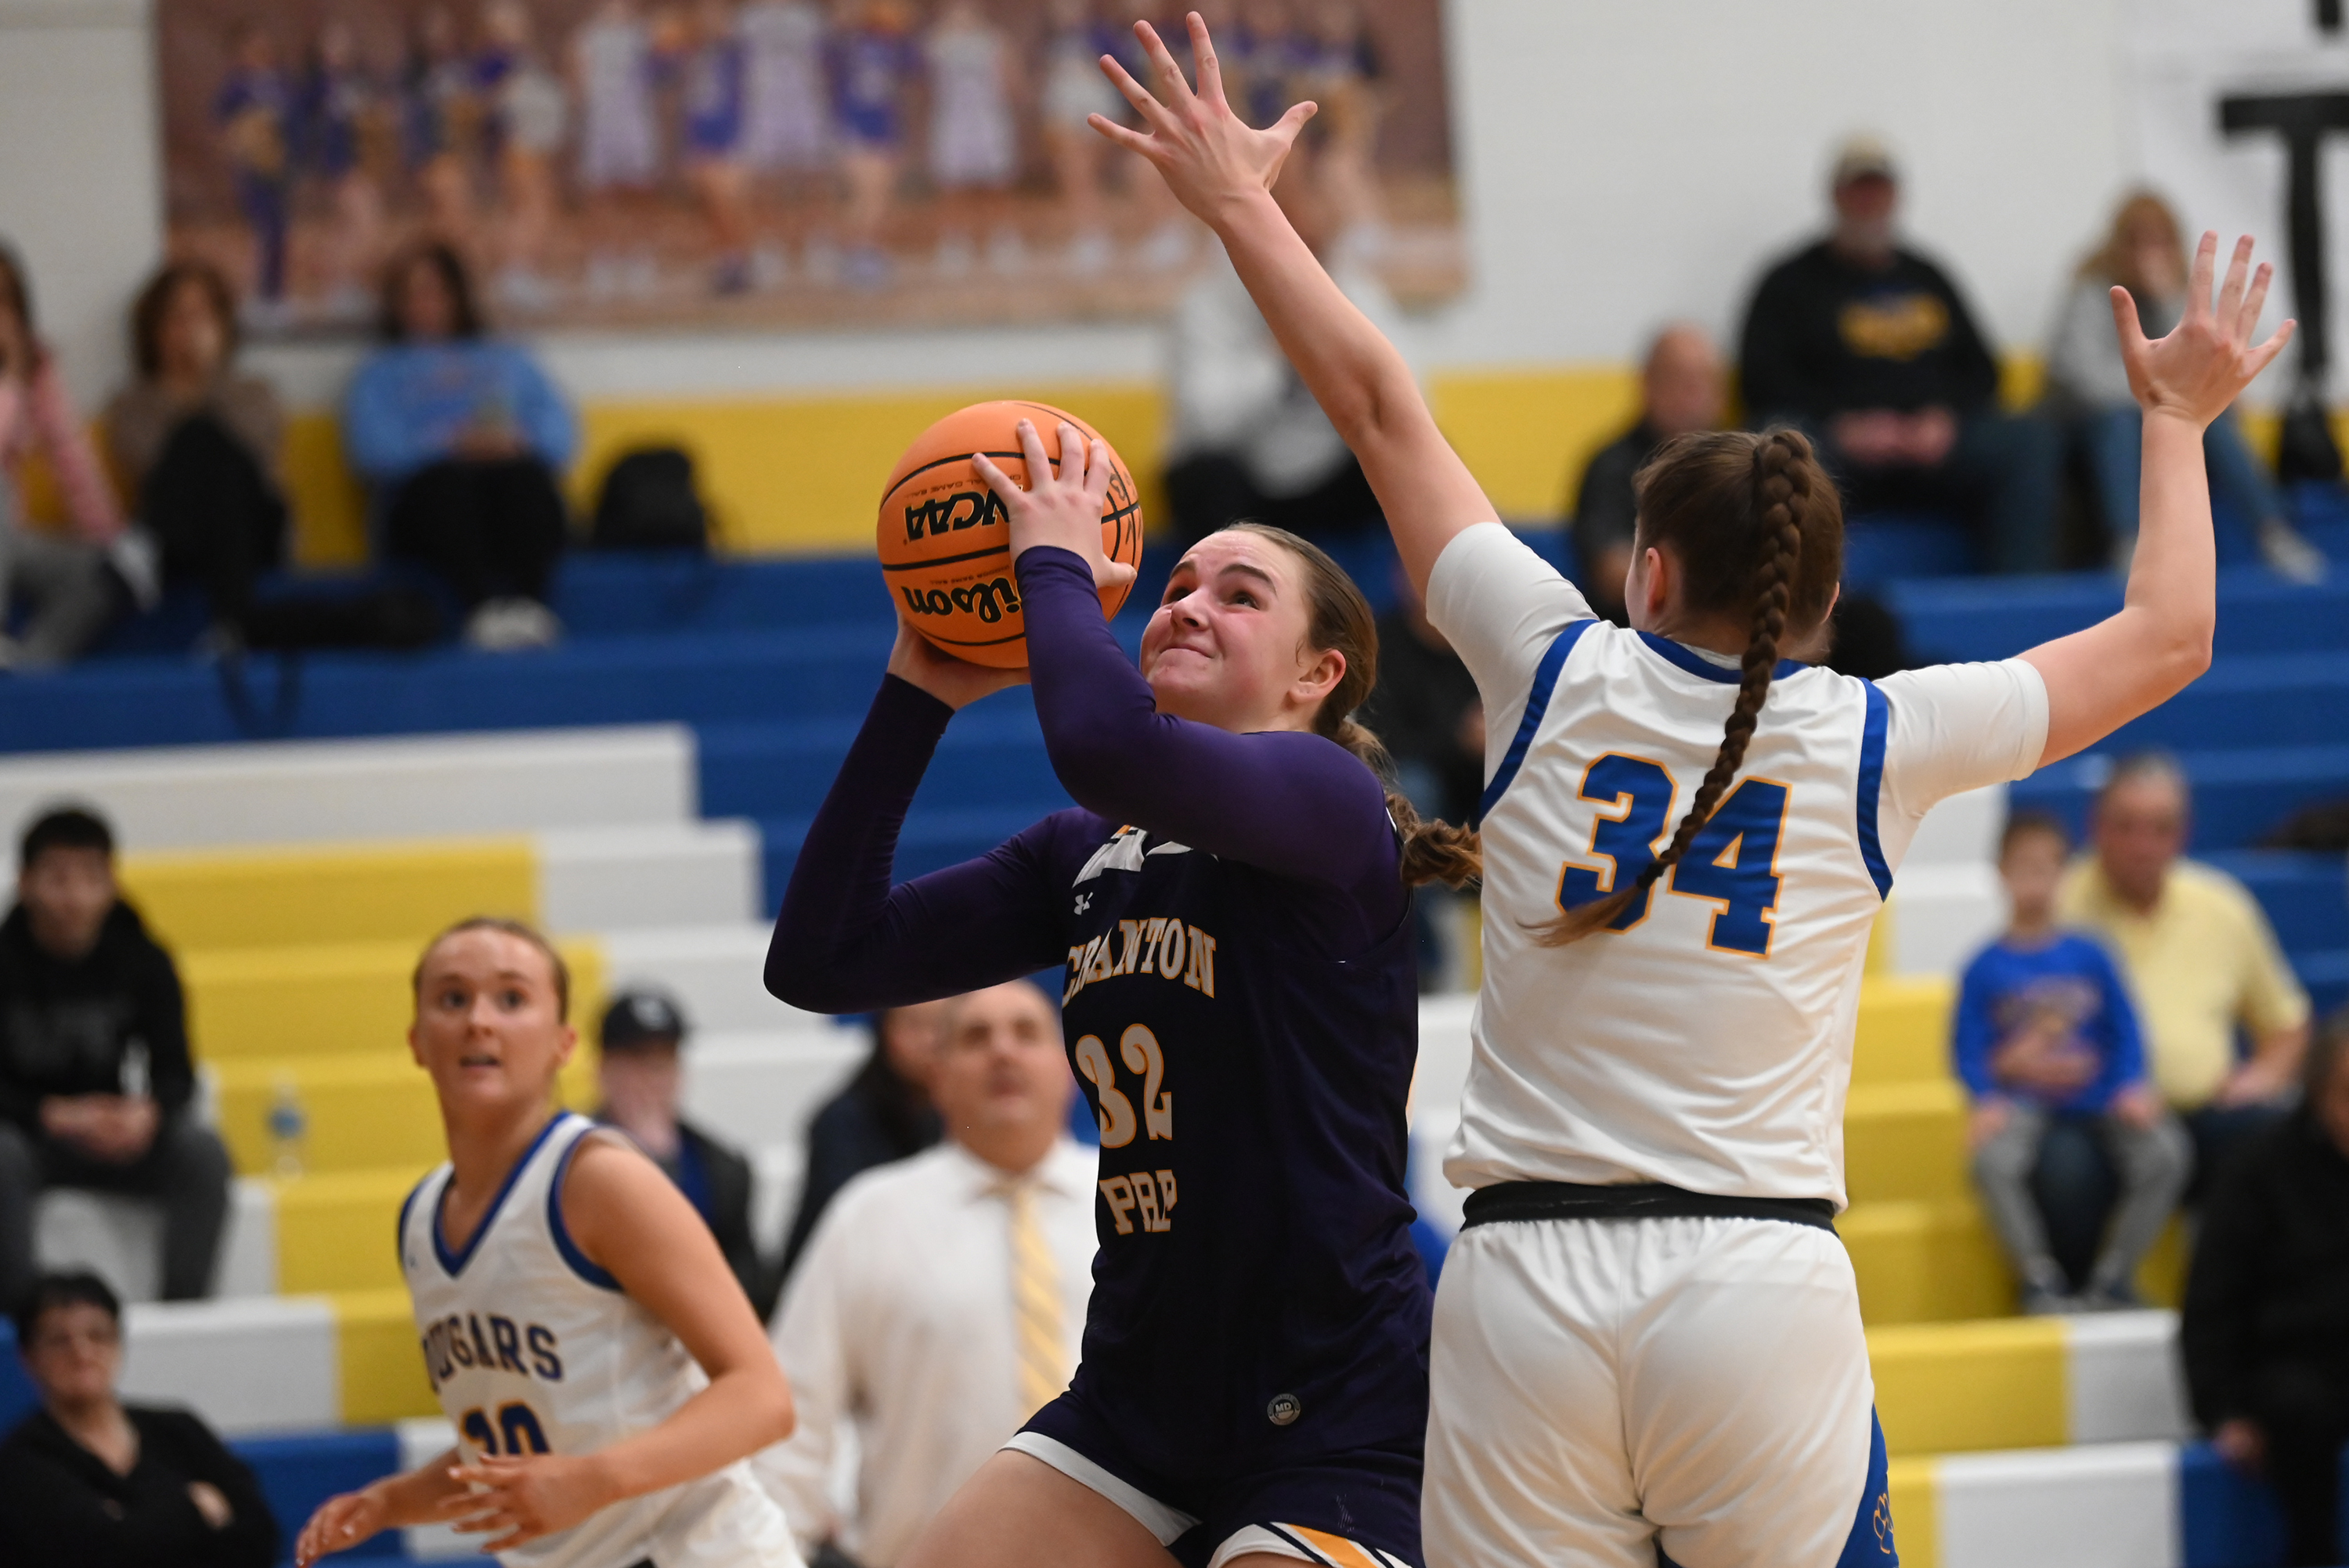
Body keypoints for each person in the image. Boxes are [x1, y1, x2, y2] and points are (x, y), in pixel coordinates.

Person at [1086, 15, 2296, 1563]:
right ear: (1822, 600)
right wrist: (2179, 422)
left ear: (1645, 568)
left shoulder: (1551, 662)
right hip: (1753, 1278)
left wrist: (1244, 207)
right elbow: (2173, 632)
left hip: (1523, 1284)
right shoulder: (1882, 730)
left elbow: (1382, 406)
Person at [767, 421, 1480, 1559]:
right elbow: (820, 960)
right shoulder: (1083, 852)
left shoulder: (1332, 804)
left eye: (1240, 594)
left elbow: (1101, 738)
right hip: (1140, 1393)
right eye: (1178, 581)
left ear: (1317, 674)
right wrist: (918, 689)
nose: (1189, 602)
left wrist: (1050, 558)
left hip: (1332, 1396)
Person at [293, 918, 800, 1566]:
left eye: (511, 998)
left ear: (563, 1043)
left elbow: (762, 1396)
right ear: (418, 1041)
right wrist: (394, 1501)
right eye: (453, 998)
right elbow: (534, 1440)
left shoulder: (599, 1180)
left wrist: (596, 1480)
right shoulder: (421, 1220)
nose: (480, 1020)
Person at [759, 980, 1096, 1567]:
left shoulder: (1136, 1206)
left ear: (1070, 1067)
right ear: (936, 1072)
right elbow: (791, 1419)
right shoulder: (868, 1215)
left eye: (1026, 1032)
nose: (1003, 1052)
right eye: (975, 1036)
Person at [1738, 135, 2064, 575]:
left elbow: (1983, 372)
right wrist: (1846, 425)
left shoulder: (1927, 274)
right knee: (1779, 443)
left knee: (2029, 439)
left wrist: (1944, 419)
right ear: (1836, 196)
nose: (1869, 200)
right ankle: (1798, 610)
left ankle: (2023, 602)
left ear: (1896, 196)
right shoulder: (1789, 281)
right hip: (1840, 455)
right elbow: (1762, 380)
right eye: (1859, 188)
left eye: (1879, 188)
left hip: (1934, 453)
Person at [1955, 812, 2188, 1313]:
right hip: (2022, 1102)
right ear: (2000, 873)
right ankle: (2038, 1279)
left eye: (2046, 868)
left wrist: (2130, 1083)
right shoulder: (1983, 966)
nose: (2034, 881)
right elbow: (1967, 1048)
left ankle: (2115, 1277)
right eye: (2022, 868)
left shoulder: (2092, 954)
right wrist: (1985, 1098)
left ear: (2065, 873)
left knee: (2166, 1153)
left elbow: (2126, 1027)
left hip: (2101, 1094)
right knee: (1990, 1162)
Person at [0, 807, 229, 1311]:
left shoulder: (145, 958)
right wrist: (50, 1114)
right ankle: (23, 1321)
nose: (73, 897)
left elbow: (176, 1072)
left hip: (113, 1132)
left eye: (89, 879)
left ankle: (185, 1314)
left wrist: (147, 1114)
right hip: (28, 1134)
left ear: (111, 884)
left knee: (202, 1154)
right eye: (58, 879)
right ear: (26, 882)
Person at [2058, 753, 2311, 1195]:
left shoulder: (2222, 906)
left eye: (2161, 828)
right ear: (2095, 827)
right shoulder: (2057, 907)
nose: (2142, 845)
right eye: (2126, 826)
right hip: (2093, 1117)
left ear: (2184, 832)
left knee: (2275, 1132)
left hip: (2206, 1113)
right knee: (2065, 1169)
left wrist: (2262, 1078)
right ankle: (2074, 1268)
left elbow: (2286, 1023)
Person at [2048, 190, 2326, 582]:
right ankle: (2129, 542)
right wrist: (2159, 392)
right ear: (2119, 243)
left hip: (2161, 409)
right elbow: (2080, 374)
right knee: (2122, 421)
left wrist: (2166, 301)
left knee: (2213, 420)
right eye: (2139, 242)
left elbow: (2199, 365)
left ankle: (2272, 530)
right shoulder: (2093, 289)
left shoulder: (2183, 293)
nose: (2149, 254)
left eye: (2160, 242)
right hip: (2096, 419)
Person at [345, 243, 576, 651]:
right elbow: (373, 451)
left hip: (506, 487)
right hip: (429, 504)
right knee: (447, 487)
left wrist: (514, 441)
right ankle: (482, 610)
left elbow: (560, 438)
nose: (425, 304)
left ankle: (530, 608)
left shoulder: (509, 359)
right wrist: (453, 445)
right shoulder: (379, 373)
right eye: (412, 293)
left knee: (526, 481)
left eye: (436, 291)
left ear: (458, 295)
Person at [2182, 1011, 2349, 1568]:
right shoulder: (2258, 1168)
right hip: (2295, 1364)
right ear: (2317, 1092)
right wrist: (2222, 1408)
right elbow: (2211, 1299)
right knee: (2296, 1407)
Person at [1159, 170, 1396, 549]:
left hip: (1329, 476)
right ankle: (1225, 594)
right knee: (1201, 478)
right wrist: (1278, 354)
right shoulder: (1207, 304)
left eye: (1315, 247)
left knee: (1416, 458)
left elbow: (1404, 409)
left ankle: (1420, 599)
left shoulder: (1360, 296)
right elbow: (1205, 423)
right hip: (1244, 481)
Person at [0, 1270, 278, 1566]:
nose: (82, 1353)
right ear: (28, 1357)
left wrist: (127, 1521)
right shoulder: (19, 1461)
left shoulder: (178, 1429)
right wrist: (193, 1507)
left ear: (119, 1343)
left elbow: (260, 1536)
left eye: (98, 1335)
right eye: (59, 1340)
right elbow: (98, 1554)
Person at [106, 260, 289, 639]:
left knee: (206, 437)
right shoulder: (131, 405)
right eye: (177, 317)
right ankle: (231, 627)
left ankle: (142, 546)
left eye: (203, 315)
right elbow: (152, 467)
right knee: (194, 437)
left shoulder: (255, 394)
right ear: (153, 330)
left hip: (252, 530)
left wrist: (209, 379)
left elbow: (254, 458)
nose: (190, 329)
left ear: (223, 327)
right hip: (182, 536)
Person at [594, 988, 768, 1316]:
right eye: (637, 1061)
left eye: (663, 1062)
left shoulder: (723, 1168)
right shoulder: (564, 1160)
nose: (651, 1079)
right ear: (604, 1069)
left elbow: (749, 1285)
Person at [0, 245, 128, 669]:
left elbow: (72, 460)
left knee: (103, 579)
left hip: (8, 542)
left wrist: (112, 544)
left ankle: (26, 672)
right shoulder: (16, 375)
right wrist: (9, 383)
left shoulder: (33, 364)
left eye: (6, 300)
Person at [775, 999, 947, 1284]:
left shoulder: (955, 1113)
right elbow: (838, 1230)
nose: (931, 1041)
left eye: (942, 1028)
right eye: (916, 1026)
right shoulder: (842, 1121)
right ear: (885, 1031)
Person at [1570, 323, 1727, 624]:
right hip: (1633, 641)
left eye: (1703, 380)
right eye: (1678, 379)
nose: (1692, 393)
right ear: (1647, 383)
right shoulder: (1611, 467)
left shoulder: (1740, 465)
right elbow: (1612, 572)